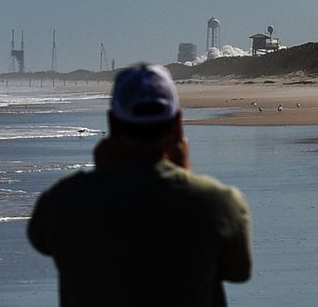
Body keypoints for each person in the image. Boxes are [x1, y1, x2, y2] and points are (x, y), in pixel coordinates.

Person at [28, 64, 251, 307]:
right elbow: (238, 271)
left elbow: (41, 239)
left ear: (112, 123)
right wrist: (184, 174)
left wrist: (102, 177)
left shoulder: (63, 201)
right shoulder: (219, 203)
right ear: (177, 123)